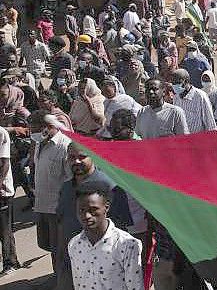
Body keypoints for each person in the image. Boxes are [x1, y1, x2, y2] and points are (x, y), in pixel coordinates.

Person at [56, 143, 131, 289]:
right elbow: (62, 223)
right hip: (70, 264)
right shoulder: (65, 188)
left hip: (104, 267)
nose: (76, 161)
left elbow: (122, 231)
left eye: (82, 156)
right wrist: (60, 258)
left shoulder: (110, 187)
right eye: (72, 158)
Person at [67, 184, 144, 290]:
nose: (87, 216)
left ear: (106, 207)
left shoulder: (127, 244)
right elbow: (78, 284)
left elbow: (135, 286)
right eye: (82, 210)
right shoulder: (74, 245)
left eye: (93, 209)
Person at [30, 111, 72, 269]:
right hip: (41, 205)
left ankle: (62, 280)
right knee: (48, 245)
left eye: (35, 129)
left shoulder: (64, 145)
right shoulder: (40, 143)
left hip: (57, 209)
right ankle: (57, 276)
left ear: (48, 127)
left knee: (60, 249)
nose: (33, 134)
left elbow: (71, 180)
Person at [0, 126, 20, 276]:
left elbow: (4, 163)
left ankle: (10, 262)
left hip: (2, 191)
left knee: (4, 228)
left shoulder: (1, 133)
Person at [171, 69, 216, 134]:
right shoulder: (176, 98)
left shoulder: (200, 96)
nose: (174, 85)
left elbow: (210, 123)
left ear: (186, 81)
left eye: (177, 82)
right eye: (173, 83)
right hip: (182, 139)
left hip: (197, 140)